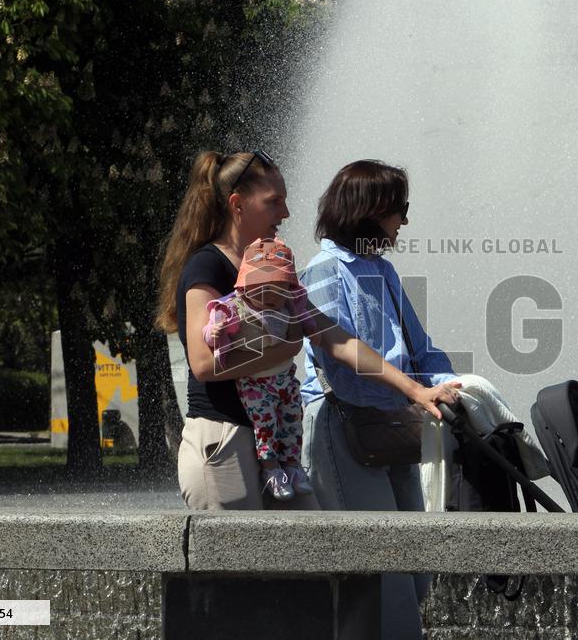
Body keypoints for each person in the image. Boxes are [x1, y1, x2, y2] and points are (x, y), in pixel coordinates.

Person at [155, 150, 460, 512]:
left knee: (306, 561)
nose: (285, 213)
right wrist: (282, 349)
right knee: (241, 568)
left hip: (274, 445)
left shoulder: (272, 268)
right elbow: (204, 363)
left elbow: (339, 340)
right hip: (226, 439)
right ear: (237, 204)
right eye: (274, 202)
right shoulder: (207, 265)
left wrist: (417, 390)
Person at [298, 159, 460, 639]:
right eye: (400, 210)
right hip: (344, 428)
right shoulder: (325, 269)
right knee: (384, 572)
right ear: (370, 211)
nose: (404, 223)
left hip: (391, 427)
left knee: (416, 566)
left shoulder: (382, 271)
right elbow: (341, 350)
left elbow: (419, 347)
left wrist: (457, 386)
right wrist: (413, 388)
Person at [201, 237, 316, 501]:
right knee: (265, 424)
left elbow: (305, 320)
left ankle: (293, 467)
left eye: (279, 288)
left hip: (285, 379)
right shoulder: (232, 308)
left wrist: (312, 331)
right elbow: (210, 332)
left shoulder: (290, 304)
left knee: (293, 420)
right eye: (263, 288)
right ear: (246, 285)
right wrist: (215, 333)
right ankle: (271, 469)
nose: (272, 296)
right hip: (254, 383)